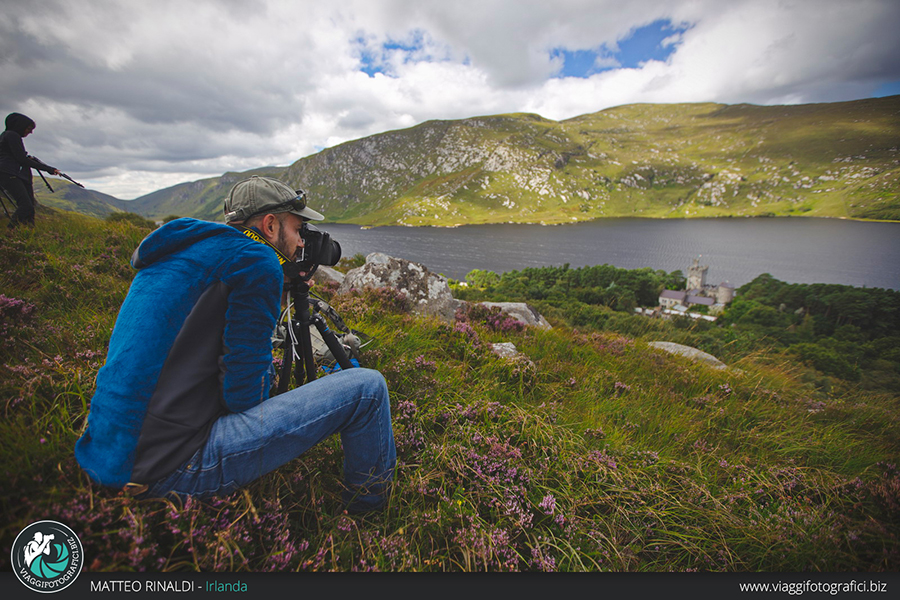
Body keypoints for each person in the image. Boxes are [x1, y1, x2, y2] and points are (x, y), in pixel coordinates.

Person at [75, 176, 396, 513]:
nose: (303, 242)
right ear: (270, 225)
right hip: (170, 468)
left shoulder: (180, 250)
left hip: (106, 453)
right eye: (298, 229)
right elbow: (244, 398)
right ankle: (370, 515)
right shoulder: (257, 262)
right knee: (368, 388)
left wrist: (276, 290)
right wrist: (270, 284)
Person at [0, 113, 60, 228]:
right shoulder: (13, 136)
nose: (30, 132)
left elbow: (17, 157)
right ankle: (10, 231)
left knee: (28, 207)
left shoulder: (5, 135)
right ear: (20, 126)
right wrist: (49, 169)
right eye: (28, 129)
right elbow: (22, 160)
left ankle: (27, 232)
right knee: (26, 206)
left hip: (9, 173)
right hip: (9, 173)